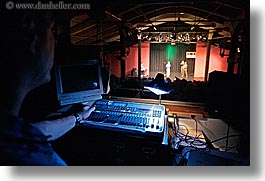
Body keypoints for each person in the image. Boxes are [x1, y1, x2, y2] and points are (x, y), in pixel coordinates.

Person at [0, 11, 95, 165]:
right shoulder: (33, 160)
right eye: (52, 31)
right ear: (33, 41)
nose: (55, 43)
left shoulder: (8, 128)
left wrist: (79, 117)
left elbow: (37, 130)